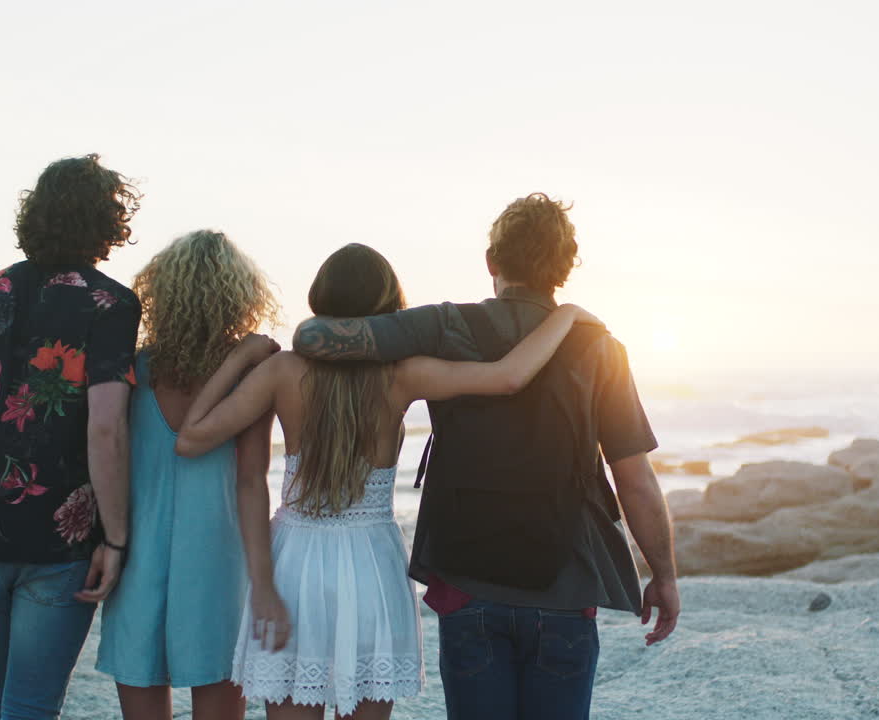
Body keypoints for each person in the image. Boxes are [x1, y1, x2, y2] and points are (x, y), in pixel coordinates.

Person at [291, 194, 680, 720]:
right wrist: (664, 574)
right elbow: (633, 475)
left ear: (492, 261)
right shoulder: (600, 348)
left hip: (468, 583)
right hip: (563, 587)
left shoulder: (444, 325)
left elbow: (313, 336)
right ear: (564, 268)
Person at [173, 243, 597, 720]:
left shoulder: (281, 370)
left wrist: (241, 356)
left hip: (294, 565)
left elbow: (191, 439)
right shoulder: (401, 374)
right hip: (370, 563)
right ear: (388, 308)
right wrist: (566, 316)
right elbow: (509, 377)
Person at [0, 154, 142, 720]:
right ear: (107, 221)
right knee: (29, 705)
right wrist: (116, 540)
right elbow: (105, 425)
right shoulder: (111, 303)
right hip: (58, 544)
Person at [95, 230, 280, 720]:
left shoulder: (130, 369)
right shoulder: (249, 376)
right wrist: (262, 581)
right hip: (218, 557)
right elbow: (251, 481)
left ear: (161, 293)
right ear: (239, 298)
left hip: (137, 549)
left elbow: (104, 450)